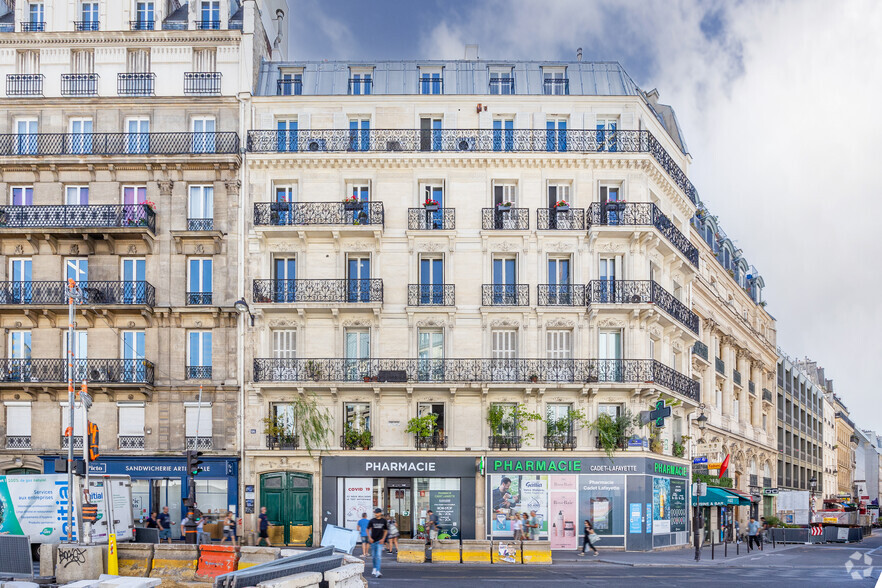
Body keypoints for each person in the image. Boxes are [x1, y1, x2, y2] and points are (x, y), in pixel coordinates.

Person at [367, 508, 388, 578]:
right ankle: (374, 568)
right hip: (373, 540)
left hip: (380, 541)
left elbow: (386, 530)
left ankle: (378, 571)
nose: (375, 514)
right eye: (375, 513)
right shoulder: (372, 520)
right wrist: (369, 537)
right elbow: (367, 529)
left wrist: (383, 539)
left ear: (380, 513)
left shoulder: (383, 521)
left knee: (378, 556)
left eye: (377, 513)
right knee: (373, 556)